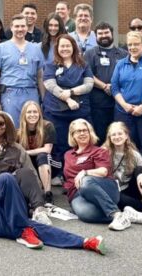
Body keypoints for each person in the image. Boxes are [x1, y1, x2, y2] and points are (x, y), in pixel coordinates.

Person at [63, 118, 142, 231]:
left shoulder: (99, 151)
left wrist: (85, 172)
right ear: (72, 135)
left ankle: (116, 215)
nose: (82, 133)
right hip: (77, 194)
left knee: (85, 181)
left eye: (85, 130)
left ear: (90, 132)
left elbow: (103, 171)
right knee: (85, 214)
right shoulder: (68, 155)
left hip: (105, 188)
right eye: (78, 131)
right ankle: (126, 215)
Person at [111, 31, 142, 184]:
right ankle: (130, 180)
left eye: (136, 44)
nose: (132, 47)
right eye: (130, 44)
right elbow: (115, 88)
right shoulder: (121, 64)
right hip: (123, 112)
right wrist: (125, 105)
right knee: (127, 146)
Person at [43, 34, 93, 182]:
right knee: (59, 144)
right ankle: (59, 174)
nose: (65, 49)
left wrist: (71, 92)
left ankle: (78, 174)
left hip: (80, 111)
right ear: (57, 49)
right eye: (61, 46)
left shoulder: (83, 65)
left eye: (68, 46)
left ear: (74, 47)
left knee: (80, 142)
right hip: (56, 112)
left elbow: (89, 85)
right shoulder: (51, 65)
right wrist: (68, 99)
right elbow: (50, 85)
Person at [0, 15, 45, 127]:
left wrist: (44, 99)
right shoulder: (1, 48)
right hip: (10, 94)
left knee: (32, 126)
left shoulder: (36, 49)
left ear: (26, 28)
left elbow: (40, 77)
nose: (20, 29)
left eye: (23, 26)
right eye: (17, 26)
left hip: (31, 93)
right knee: (12, 127)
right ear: (11, 28)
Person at [85, 22, 128, 142]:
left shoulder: (123, 53)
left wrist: (114, 87)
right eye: (100, 33)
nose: (104, 36)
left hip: (119, 103)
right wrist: (104, 86)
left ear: (112, 34)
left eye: (106, 32)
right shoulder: (90, 54)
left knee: (119, 134)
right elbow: (88, 75)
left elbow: (127, 75)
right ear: (96, 36)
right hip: (98, 104)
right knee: (101, 135)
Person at [17, 101, 55, 200]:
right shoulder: (18, 132)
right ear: (24, 115)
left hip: (49, 163)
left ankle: (48, 193)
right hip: (30, 165)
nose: (32, 115)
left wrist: (26, 152)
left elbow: (47, 149)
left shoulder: (47, 126)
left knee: (42, 155)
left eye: (35, 112)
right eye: (29, 112)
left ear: (39, 114)